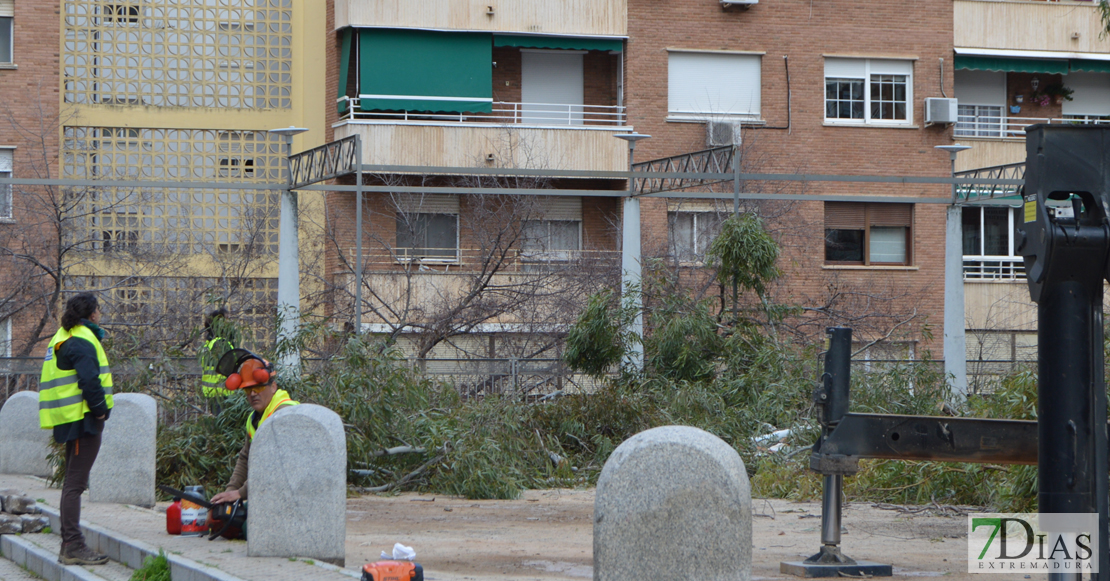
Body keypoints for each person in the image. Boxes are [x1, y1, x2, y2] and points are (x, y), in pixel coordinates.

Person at [39, 293, 113, 566]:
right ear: (92, 313)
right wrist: (100, 410)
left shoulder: (62, 336)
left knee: (72, 483)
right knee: (75, 484)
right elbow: (89, 380)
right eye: (99, 310)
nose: (100, 314)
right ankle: (72, 545)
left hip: (69, 419)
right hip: (83, 420)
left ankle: (69, 544)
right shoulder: (81, 339)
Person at [210, 349, 298, 505]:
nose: (252, 394)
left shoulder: (285, 414)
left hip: (292, 497)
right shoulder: (254, 419)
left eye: (258, 388)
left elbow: (276, 465)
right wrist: (229, 492)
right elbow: (245, 457)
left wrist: (240, 493)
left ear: (273, 387)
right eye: (248, 390)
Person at [199, 308, 236, 404]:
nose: (230, 323)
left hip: (212, 393)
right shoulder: (221, 344)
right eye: (227, 319)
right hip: (223, 394)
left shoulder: (209, 343)